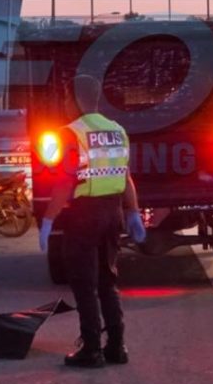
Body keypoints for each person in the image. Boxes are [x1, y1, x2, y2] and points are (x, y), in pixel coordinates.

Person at [38, 75, 146, 368]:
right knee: (108, 280)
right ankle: (117, 346)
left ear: (75, 99)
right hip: (113, 213)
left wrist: (48, 220)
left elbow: (65, 181)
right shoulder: (117, 131)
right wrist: (133, 212)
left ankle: (91, 349)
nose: (64, 103)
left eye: (66, 98)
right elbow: (125, 176)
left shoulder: (71, 133)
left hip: (84, 215)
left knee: (84, 282)